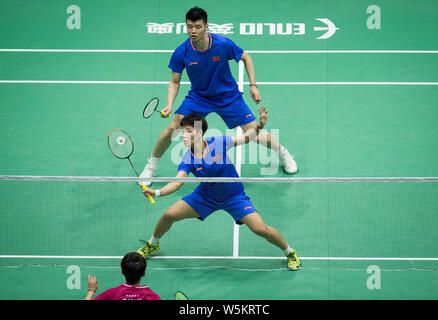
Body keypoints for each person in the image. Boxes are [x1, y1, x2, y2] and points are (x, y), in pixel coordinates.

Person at [140, 6, 297, 186]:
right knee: (173, 128)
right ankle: (151, 166)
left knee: (254, 133)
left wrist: (253, 85)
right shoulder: (181, 52)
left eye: (198, 26)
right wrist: (169, 104)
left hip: (228, 97)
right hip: (199, 98)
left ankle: (283, 153)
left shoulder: (222, 44)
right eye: (189, 26)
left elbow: (247, 58)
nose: (193, 31)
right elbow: (174, 82)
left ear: (206, 26)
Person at [136, 107, 301, 271]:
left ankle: (290, 252)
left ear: (200, 133)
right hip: (206, 197)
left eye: (188, 131)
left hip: (233, 197)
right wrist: (156, 192)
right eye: (182, 132)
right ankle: (153, 244)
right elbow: (177, 182)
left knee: (261, 229)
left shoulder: (218, 142)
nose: (183, 135)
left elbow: (246, 138)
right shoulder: (188, 158)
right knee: (168, 215)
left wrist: (260, 126)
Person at [84, 252, 161, 300]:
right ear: (144, 273)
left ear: (122, 271)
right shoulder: (151, 296)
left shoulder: (112, 294)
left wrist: (91, 291)